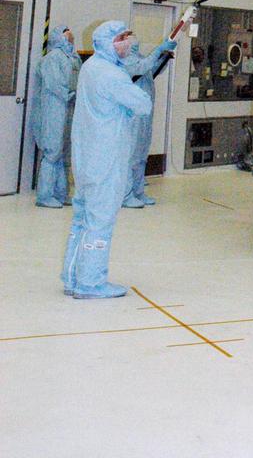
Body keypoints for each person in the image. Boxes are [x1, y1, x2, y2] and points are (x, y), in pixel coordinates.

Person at [61, 21, 151, 299]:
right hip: (106, 157)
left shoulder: (90, 67)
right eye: (122, 38)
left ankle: (72, 277)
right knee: (100, 221)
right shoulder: (112, 75)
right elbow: (143, 105)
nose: (127, 42)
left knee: (82, 219)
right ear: (108, 41)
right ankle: (90, 283)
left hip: (86, 157)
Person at [121, 35, 176, 207]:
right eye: (130, 38)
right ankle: (125, 195)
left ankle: (138, 192)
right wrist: (158, 49)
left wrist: (164, 57)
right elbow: (142, 67)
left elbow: (151, 70)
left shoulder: (140, 58)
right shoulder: (125, 61)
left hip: (145, 114)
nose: (135, 40)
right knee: (130, 156)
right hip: (132, 115)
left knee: (141, 156)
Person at [31, 26, 81, 207]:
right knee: (52, 152)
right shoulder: (52, 58)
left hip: (69, 108)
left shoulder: (73, 58)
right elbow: (54, 83)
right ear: (59, 38)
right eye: (68, 36)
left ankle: (61, 194)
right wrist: (69, 94)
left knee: (64, 152)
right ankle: (44, 196)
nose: (71, 40)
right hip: (54, 109)